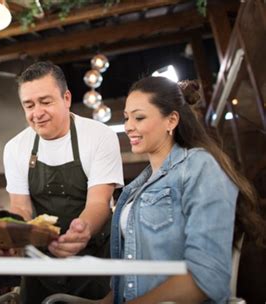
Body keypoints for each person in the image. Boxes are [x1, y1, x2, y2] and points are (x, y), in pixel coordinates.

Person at [104, 76, 266, 303]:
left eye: (139, 117)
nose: (128, 126)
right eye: (127, 118)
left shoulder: (199, 166)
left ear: (171, 120)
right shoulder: (133, 189)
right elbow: (129, 275)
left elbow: (208, 278)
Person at [3, 61, 124, 303]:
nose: (37, 113)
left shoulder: (100, 137)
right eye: (29, 105)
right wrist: (11, 235)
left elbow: (99, 203)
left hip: (93, 259)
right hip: (39, 264)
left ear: (66, 98)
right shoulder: (15, 147)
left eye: (45, 102)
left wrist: (82, 231)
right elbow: (21, 207)